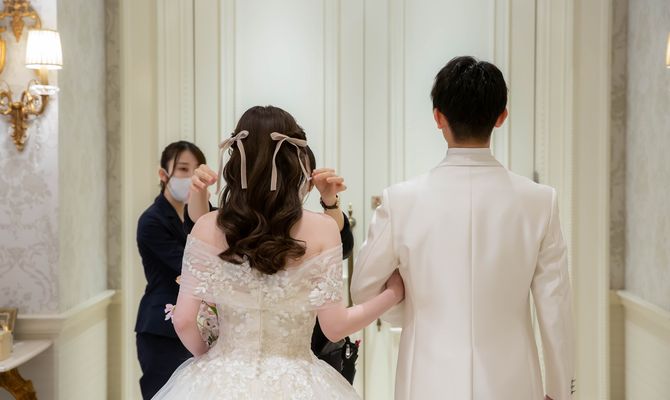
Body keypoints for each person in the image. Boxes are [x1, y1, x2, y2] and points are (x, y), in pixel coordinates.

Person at [351, 56, 575, 400]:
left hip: (424, 380)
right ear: (502, 116)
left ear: (438, 117)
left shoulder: (400, 201)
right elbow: (554, 308)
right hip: (514, 383)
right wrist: (560, 392)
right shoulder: (540, 201)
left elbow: (364, 290)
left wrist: (413, 313)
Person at [152, 105, 404, 399]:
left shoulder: (207, 226)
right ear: (294, 162)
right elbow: (335, 327)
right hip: (299, 382)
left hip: (221, 378)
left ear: (237, 160)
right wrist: (393, 294)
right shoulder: (323, 229)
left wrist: (211, 360)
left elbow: (183, 320)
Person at [184, 149, 359, 383]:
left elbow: (343, 245)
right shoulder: (234, 223)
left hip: (308, 351)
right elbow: (200, 225)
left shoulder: (317, 227)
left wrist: (330, 202)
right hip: (237, 364)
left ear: (309, 182)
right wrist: (198, 194)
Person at [135, 141, 208, 399]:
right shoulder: (151, 221)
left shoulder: (199, 215)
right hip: (161, 330)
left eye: (196, 170)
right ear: (163, 174)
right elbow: (188, 265)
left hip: (195, 327)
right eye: (183, 169)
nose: (190, 177)